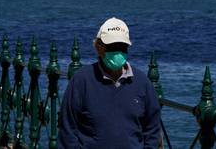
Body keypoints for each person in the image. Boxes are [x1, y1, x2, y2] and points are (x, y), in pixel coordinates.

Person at [58, 18, 161, 149]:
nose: (118, 51)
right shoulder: (82, 81)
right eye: (113, 46)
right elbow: (67, 129)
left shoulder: (142, 83)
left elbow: (152, 129)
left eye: (122, 47)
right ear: (99, 47)